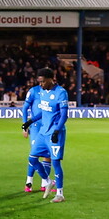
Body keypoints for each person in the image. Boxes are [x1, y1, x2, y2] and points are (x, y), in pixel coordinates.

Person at [22, 67, 69, 203]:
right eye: (39, 82)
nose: (40, 84)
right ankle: (48, 181)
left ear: (50, 79)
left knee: (55, 162)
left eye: (43, 81)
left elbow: (64, 115)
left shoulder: (61, 92)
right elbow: (43, 112)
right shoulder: (42, 92)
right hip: (43, 132)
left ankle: (60, 194)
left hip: (55, 132)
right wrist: (29, 121)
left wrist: (57, 130)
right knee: (32, 158)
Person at [21, 72, 51, 193]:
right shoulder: (33, 91)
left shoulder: (51, 92)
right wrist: (25, 125)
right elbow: (25, 108)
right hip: (36, 127)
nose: (41, 83)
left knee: (48, 155)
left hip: (48, 127)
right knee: (35, 153)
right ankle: (29, 182)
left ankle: (45, 184)